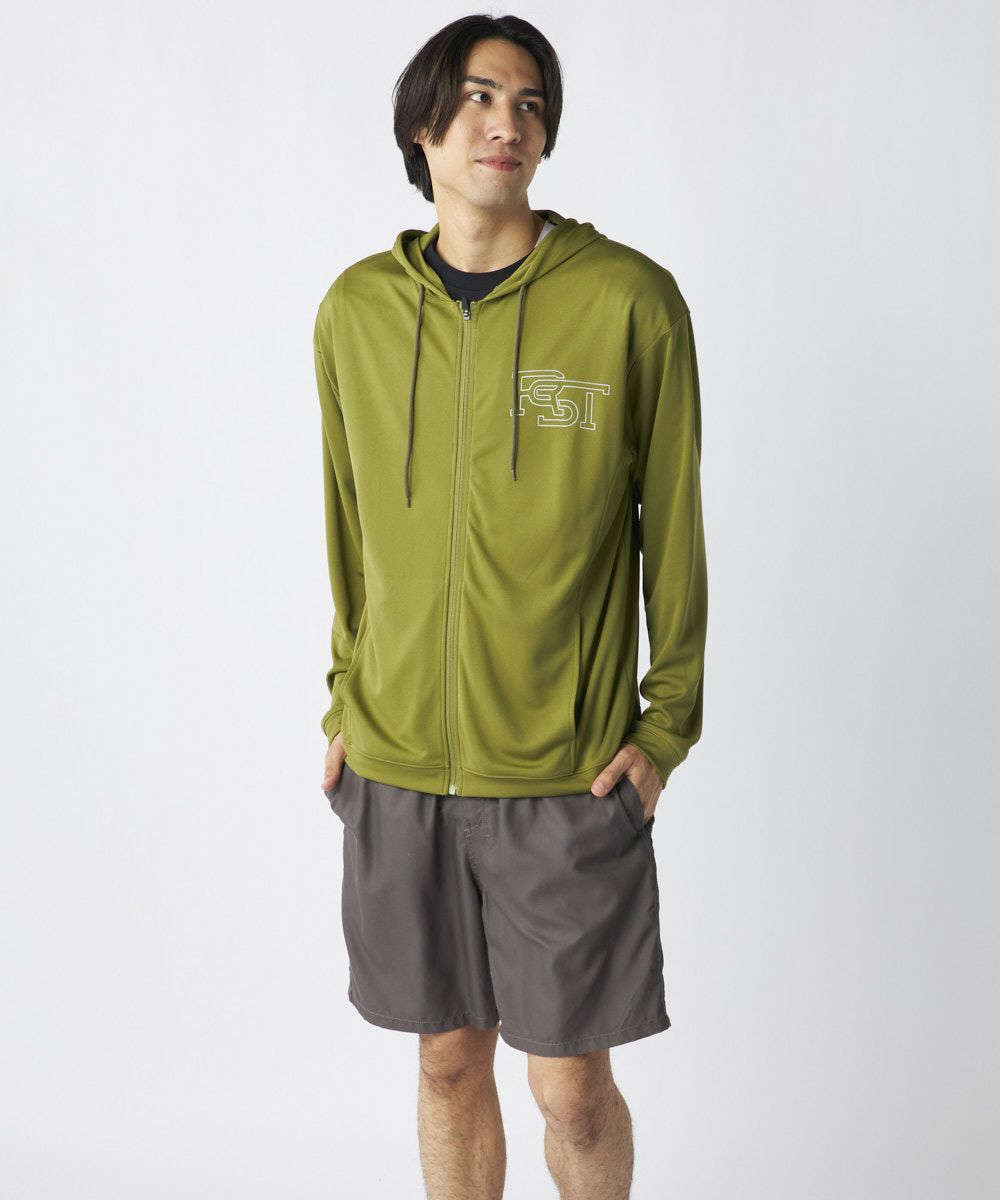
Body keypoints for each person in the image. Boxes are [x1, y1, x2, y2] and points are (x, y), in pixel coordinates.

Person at [312, 14, 707, 1199]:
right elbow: (347, 530)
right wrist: (345, 701)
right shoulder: (355, 312)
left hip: (561, 772)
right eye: (480, 97)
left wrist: (664, 729)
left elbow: (674, 530)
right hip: (398, 767)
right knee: (445, 1066)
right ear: (422, 127)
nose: (508, 123)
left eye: (530, 103)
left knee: (570, 1088)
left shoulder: (628, 302)